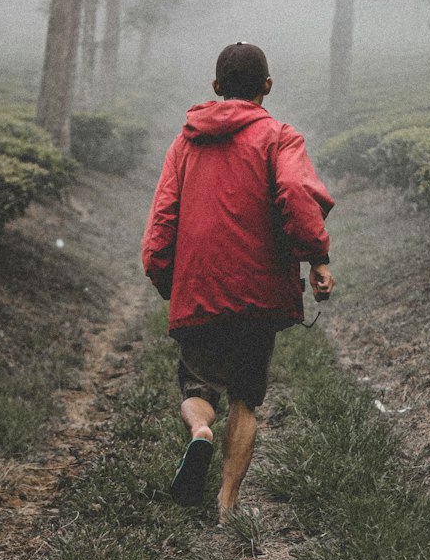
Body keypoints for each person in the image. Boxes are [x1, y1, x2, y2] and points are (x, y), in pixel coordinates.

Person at [141, 42, 334, 520]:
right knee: (245, 396)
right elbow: (295, 193)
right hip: (258, 291)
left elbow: (163, 218)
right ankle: (227, 503)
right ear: (266, 87)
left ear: (216, 88)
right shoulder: (279, 137)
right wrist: (317, 258)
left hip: (200, 284)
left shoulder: (185, 142)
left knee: (197, 388)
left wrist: (167, 277)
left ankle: (200, 433)